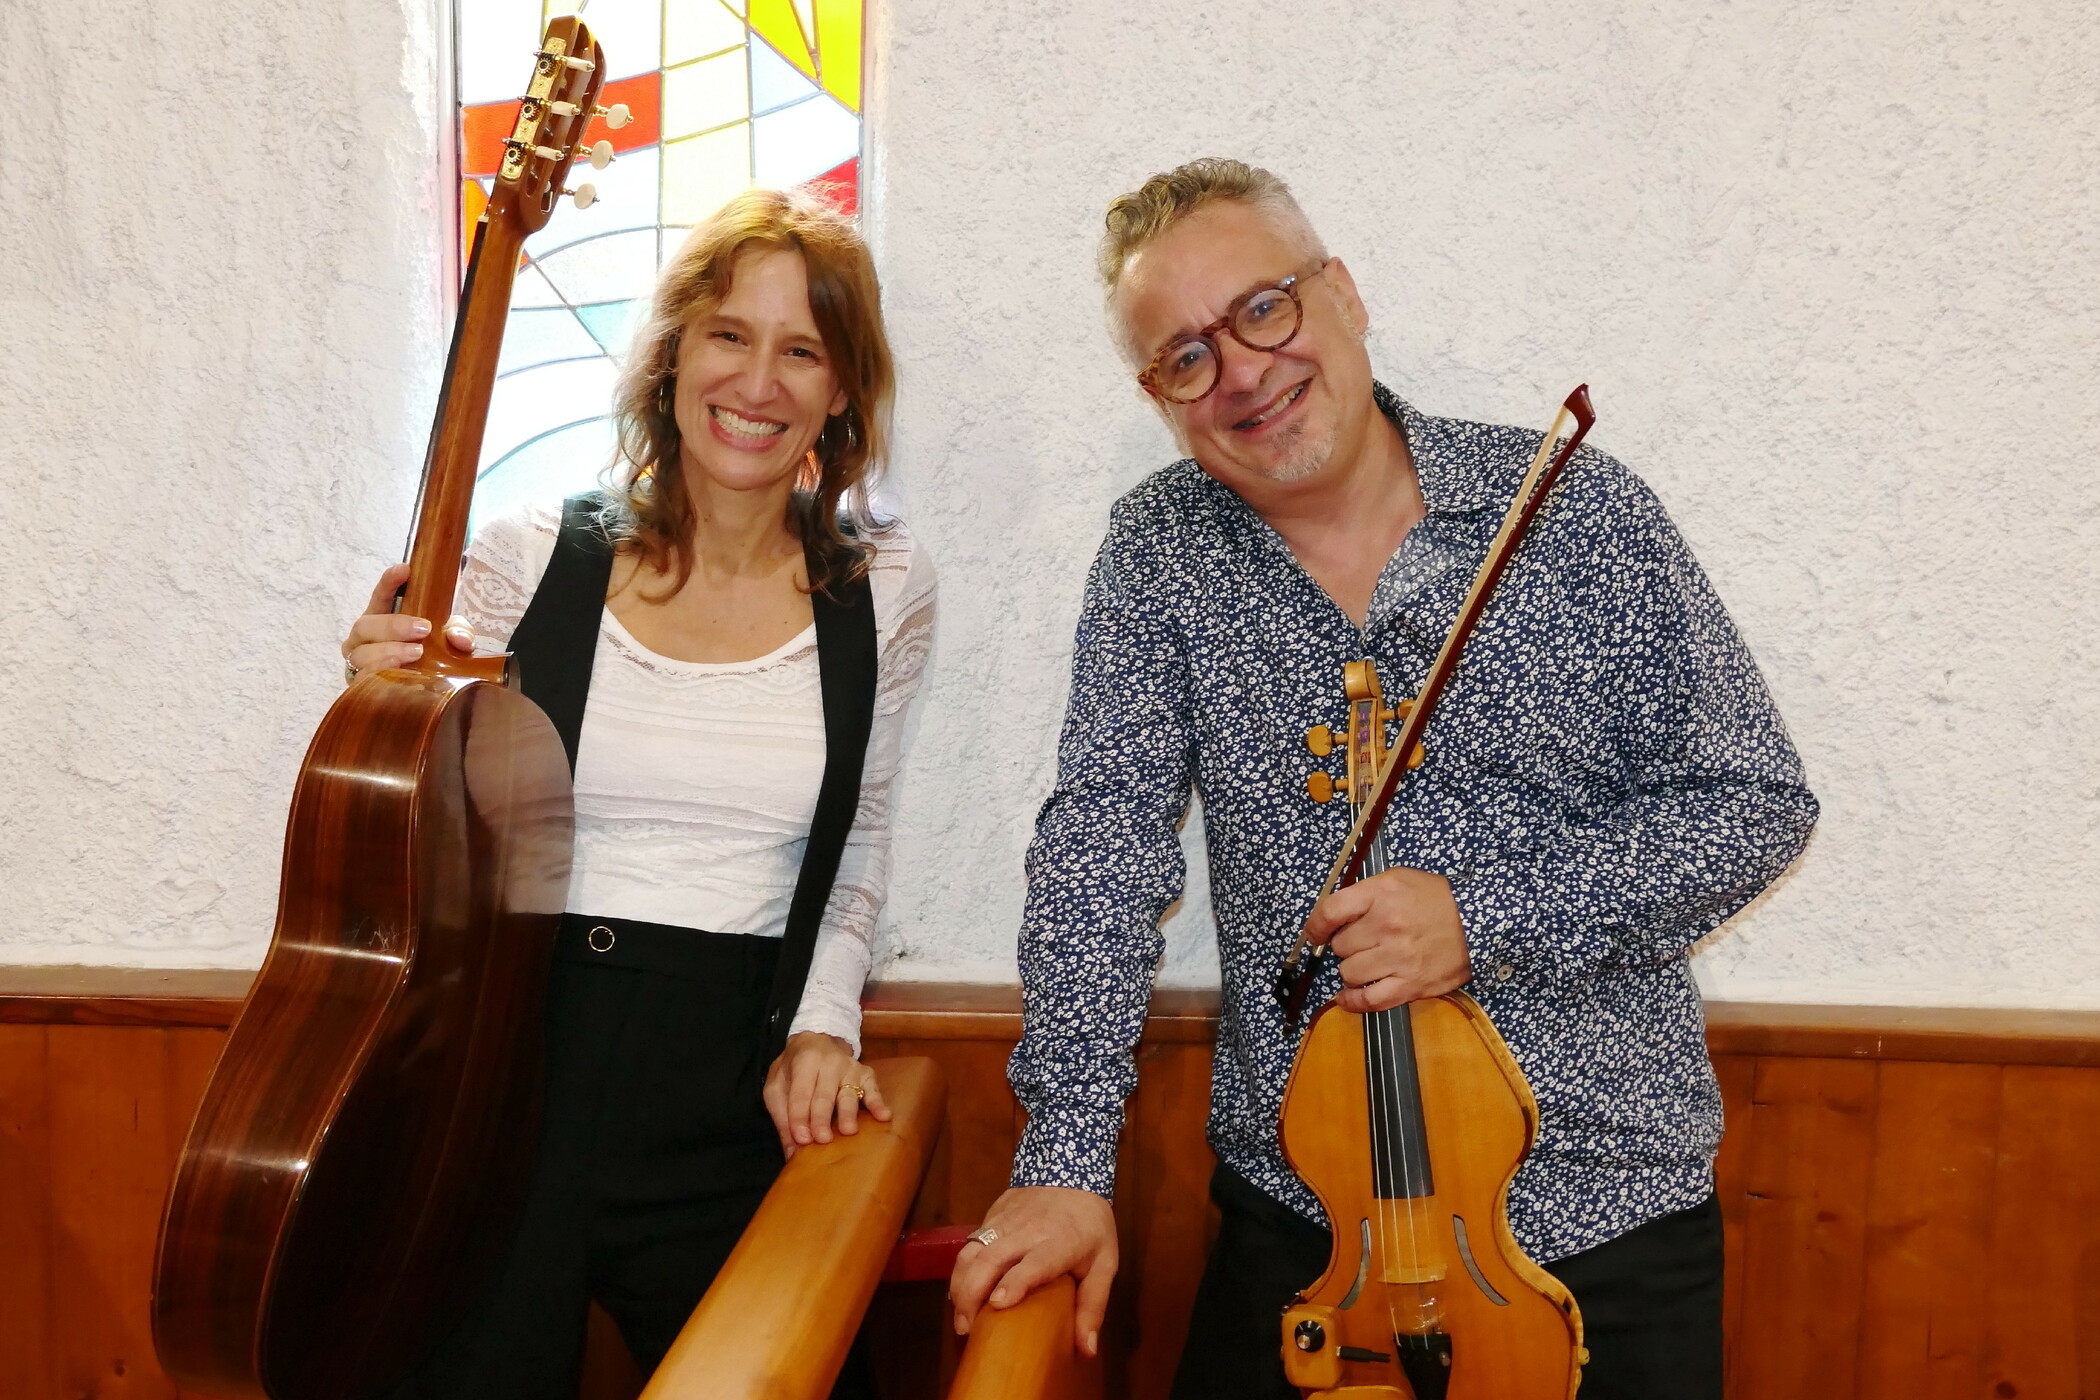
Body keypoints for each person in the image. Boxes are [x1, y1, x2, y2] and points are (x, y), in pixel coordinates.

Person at [947, 158, 1816, 1400]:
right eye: (1185, 356)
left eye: (1263, 308)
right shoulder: (1159, 555)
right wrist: (1066, 1156)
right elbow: (1100, 852)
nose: (1242, 369)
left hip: (1601, 1219)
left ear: (1343, 295)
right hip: (1310, 1227)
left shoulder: (1569, 513)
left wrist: (1486, 916)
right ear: (1161, 397)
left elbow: (1753, 799)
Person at [341, 187, 935, 1397]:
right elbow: (430, 822)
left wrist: (826, 1020)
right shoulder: (527, 556)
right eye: (729, 333)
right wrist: (376, 699)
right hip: (512, 1070)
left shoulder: (884, 588)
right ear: (672, 356)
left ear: (840, 392)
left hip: (733, 1079)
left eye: (802, 350)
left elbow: (858, 833)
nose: (758, 381)